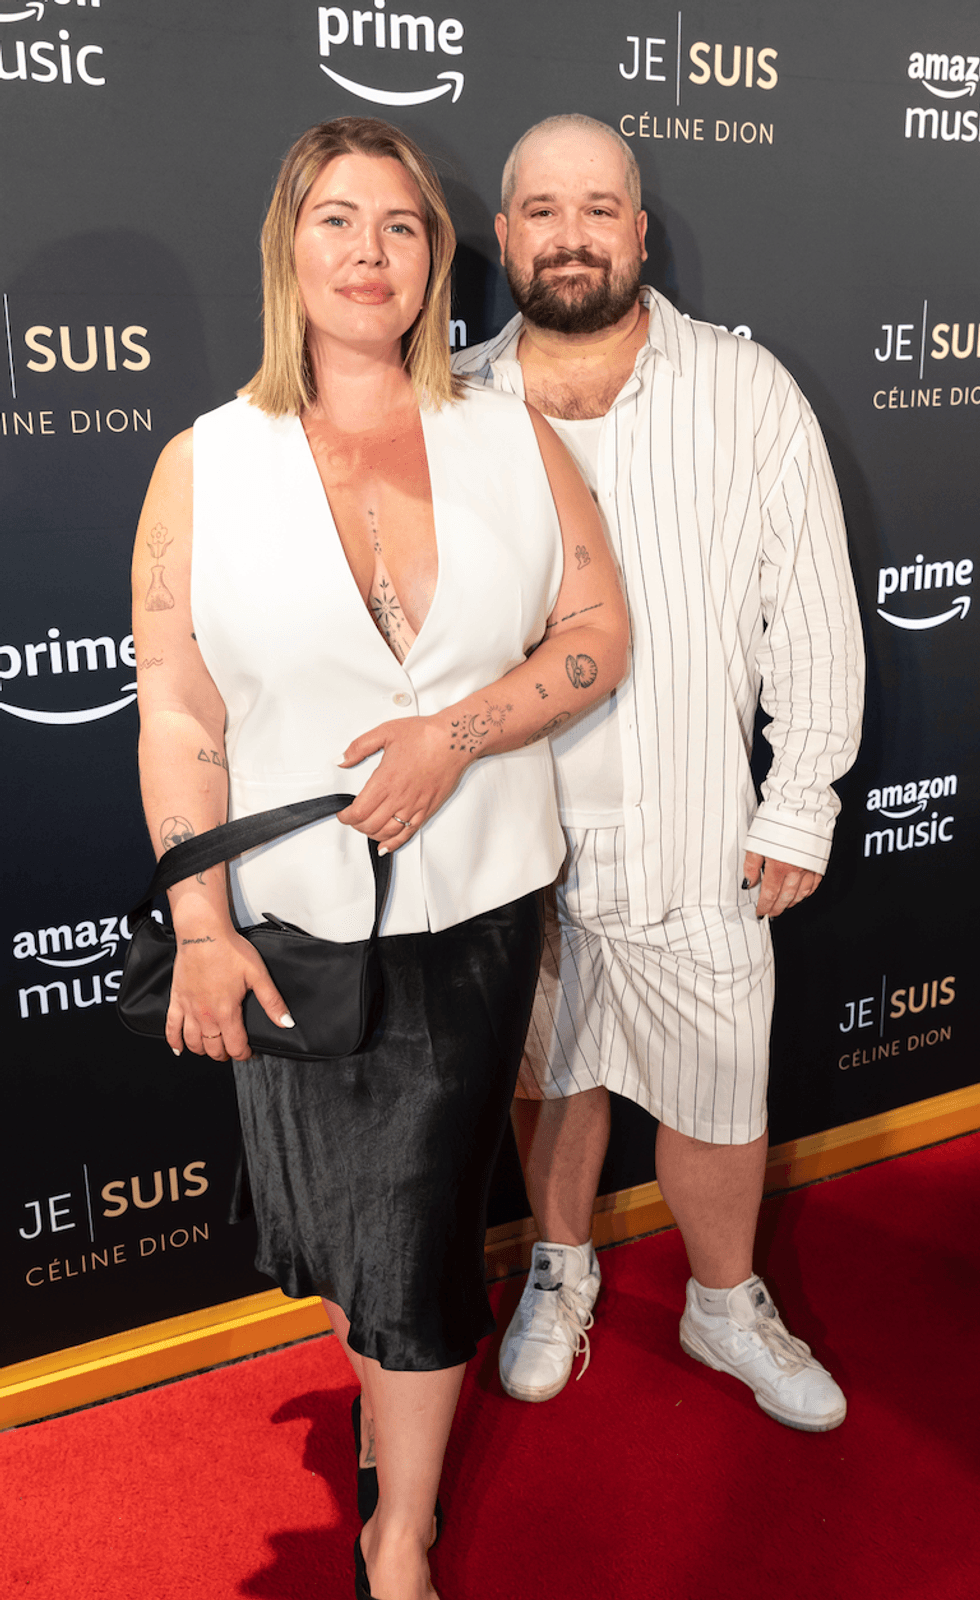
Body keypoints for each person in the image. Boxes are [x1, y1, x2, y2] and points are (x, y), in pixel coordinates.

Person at [131, 117, 627, 1600]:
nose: (369, 251)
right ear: (293, 250)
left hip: (476, 912)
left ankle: (397, 1530)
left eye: (401, 227)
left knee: (414, 1228)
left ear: (436, 261)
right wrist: (202, 927)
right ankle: (380, 1409)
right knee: (342, 1232)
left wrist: (457, 733)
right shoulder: (205, 465)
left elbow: (596, 640)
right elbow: (179, 714)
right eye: (338, 221)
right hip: (284, 927)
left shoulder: (507, 434)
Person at [453, 114, 864, 1431]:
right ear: (506, 234)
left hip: (698, 833)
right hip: (512, 837)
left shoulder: (748, 394)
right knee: (548, 1072)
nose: (569, 234)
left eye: (597, 208)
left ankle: (722, 1300)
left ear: (639, 230)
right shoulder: (449, 405)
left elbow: (811, 612)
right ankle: (560, 1272)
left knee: (718, 1092)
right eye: (541, 210)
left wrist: (803, 795)